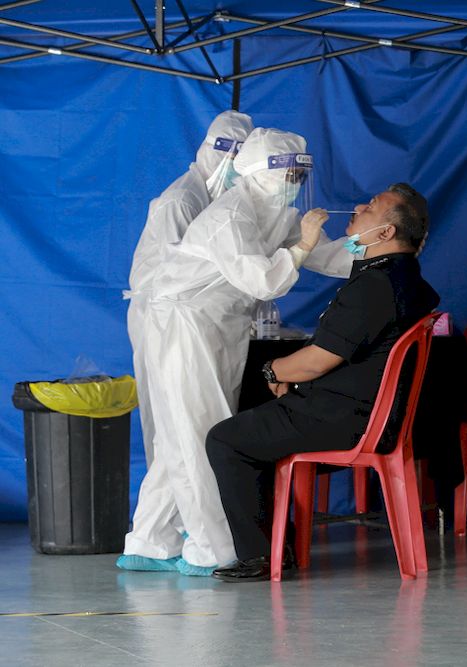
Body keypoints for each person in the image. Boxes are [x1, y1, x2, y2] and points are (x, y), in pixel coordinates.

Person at [118, 128, 355, 576]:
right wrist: (302, 245)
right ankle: (211, 546)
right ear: (257, 171)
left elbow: (328, 257)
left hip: (219, 326)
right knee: (195, 435)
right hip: (184, 326)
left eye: (300, 173)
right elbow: (264, 281)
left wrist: (372, 246)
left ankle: (149, 539)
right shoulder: (228, 217)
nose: (295, 182)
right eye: (286, 172)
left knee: (183, 435)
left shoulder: (274, 212)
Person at [206, 183, 439, 582]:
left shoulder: (376, 285)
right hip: (370, 416)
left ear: (385, 234)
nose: (360, 205)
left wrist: (273, 371)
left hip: (343, 418)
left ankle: (263, 556)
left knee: (226, 439)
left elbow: (316, 362)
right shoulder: (405, 279)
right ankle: (278, 546)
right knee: (255, 427)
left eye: (372, 206)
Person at [126, 110, 254, 466]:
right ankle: (175, 509)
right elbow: (177, 276)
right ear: (207, 150)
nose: (229, 165)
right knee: (168, 414)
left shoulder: (214, 198)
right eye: (224, 152)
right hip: (162, 317)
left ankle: (190, 504)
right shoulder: (182, 201)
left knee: (196, 415)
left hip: (191, 319)